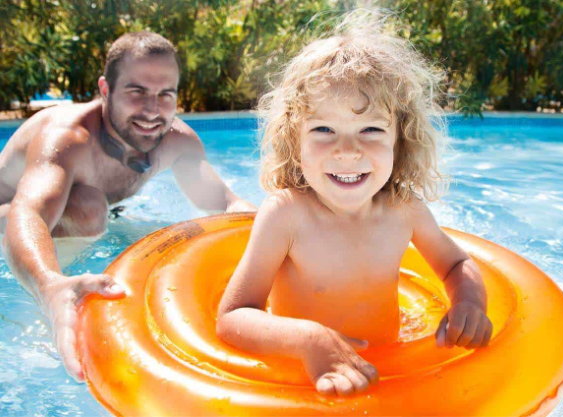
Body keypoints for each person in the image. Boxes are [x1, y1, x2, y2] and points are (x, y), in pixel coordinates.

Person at [216, 14, 493, 398]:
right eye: (324, 130)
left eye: (371, 130)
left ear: (402, 139)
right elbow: (232, 318)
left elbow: (456, 264)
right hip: (302, 379)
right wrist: (309, 339)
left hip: (389, 367)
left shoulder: (403, 209)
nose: (347, 151)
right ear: (295, 141)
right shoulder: (286, 215)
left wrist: (468, 302)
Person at [0, 31, 255, 382]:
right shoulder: (68, 140)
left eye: (166, 95)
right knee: (90, 209)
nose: (152, 110)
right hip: (9, 215)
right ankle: (47, 307)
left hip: (83, 213)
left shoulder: (176, 142)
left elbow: (224, 202)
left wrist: (270, 232)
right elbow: (28, 214)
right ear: (105, 90)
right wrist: (49, 286)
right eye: (137, 92)